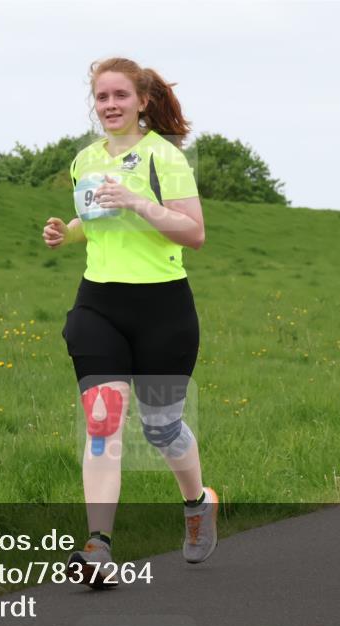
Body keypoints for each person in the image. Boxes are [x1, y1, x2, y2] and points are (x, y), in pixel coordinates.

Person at [42, 57, 216, 588]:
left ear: (142, 100)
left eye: (120, 95)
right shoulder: (85, 160)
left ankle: (197, 501)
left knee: (161, 429)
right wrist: (66, 233)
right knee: (102, 421)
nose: (110, 105)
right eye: (102, 97)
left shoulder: (166, 158)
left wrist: (139, 202)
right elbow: (95, 221)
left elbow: (193, 233)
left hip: (163, 309)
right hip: (99, 304)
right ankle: (98, 547)